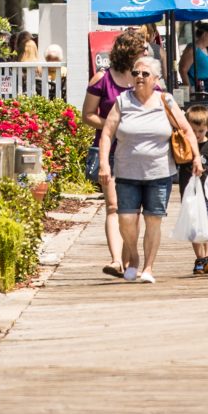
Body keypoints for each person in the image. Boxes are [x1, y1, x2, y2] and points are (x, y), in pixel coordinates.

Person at [95, 56, 181, 284]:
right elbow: (106, 133)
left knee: (153, 220)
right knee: (125, 219)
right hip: (126, 173)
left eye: (144, 74)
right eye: (136, 73)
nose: (139, 77)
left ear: (156, 78)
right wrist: (104, 163)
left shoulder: (166, 100)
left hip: (159, 173)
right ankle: (132, 256)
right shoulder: (123, 101)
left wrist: (197, 160)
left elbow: (185, 129)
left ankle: (148, 268)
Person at [83, 29, 147, 276]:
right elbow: (87, 115)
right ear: (128, 52)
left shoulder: (142, 79)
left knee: (133, 209)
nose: (145, 54)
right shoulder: (102, 80)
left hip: (137, 152)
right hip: (108, 149)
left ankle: (131, 258)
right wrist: (112, 125)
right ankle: (115, 260)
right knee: (113, 206)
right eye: (141, 50)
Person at [177, 97, 208, 275]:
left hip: (207, 193)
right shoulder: (184, 146)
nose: (196, 134)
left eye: (201, 131)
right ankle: (200, 258)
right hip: (188, 192)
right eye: (193, 130)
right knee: (194, 226)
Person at [177, 23, 208, 107]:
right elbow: (182, 69)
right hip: (200, 95)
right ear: (204, 34)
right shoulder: (192, 49)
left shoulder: (207, 50)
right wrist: (190, 92)